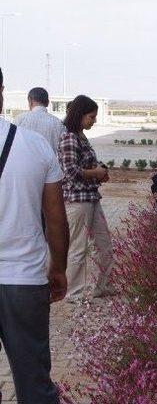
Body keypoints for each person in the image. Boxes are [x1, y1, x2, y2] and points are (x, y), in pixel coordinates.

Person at [0, 67, 69, 403]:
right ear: (0, 92)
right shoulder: (33, 144)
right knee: (34, 385)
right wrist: (58, 268)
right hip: (25, 280)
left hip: (23, 278)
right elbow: (56, 220)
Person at [58, 95, 115, 300]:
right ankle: (74, 293)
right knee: (78, 248)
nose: (94, 120)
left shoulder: (81, 137)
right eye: (91, 117)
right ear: (80, 115)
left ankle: (102, 286)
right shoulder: (69, 138)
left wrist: (100, 172)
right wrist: (96, 173)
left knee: (104, 245)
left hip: (91, 197)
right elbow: (70, 172)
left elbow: (86, 166)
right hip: (78, 201)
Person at [14, 87, 65, 152]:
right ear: (48, 103)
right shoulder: (58, 123)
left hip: (24, 161)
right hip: (50, 161)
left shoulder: (20, 119)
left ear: (30, 100)